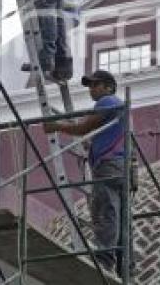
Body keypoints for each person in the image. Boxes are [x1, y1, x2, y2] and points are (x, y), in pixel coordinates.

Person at [43, 69, 130, 275]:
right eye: (90, 85)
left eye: (95, 84)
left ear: (108, 87)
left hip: (109, 167)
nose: (91, 89)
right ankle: (124, 266)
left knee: (105, 213)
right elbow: (97, 132)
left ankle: (104, 261)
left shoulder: (107, 102)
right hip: (121, 167)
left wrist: (56, 125)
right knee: (119, 216)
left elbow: (84, 128)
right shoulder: (117, 107)